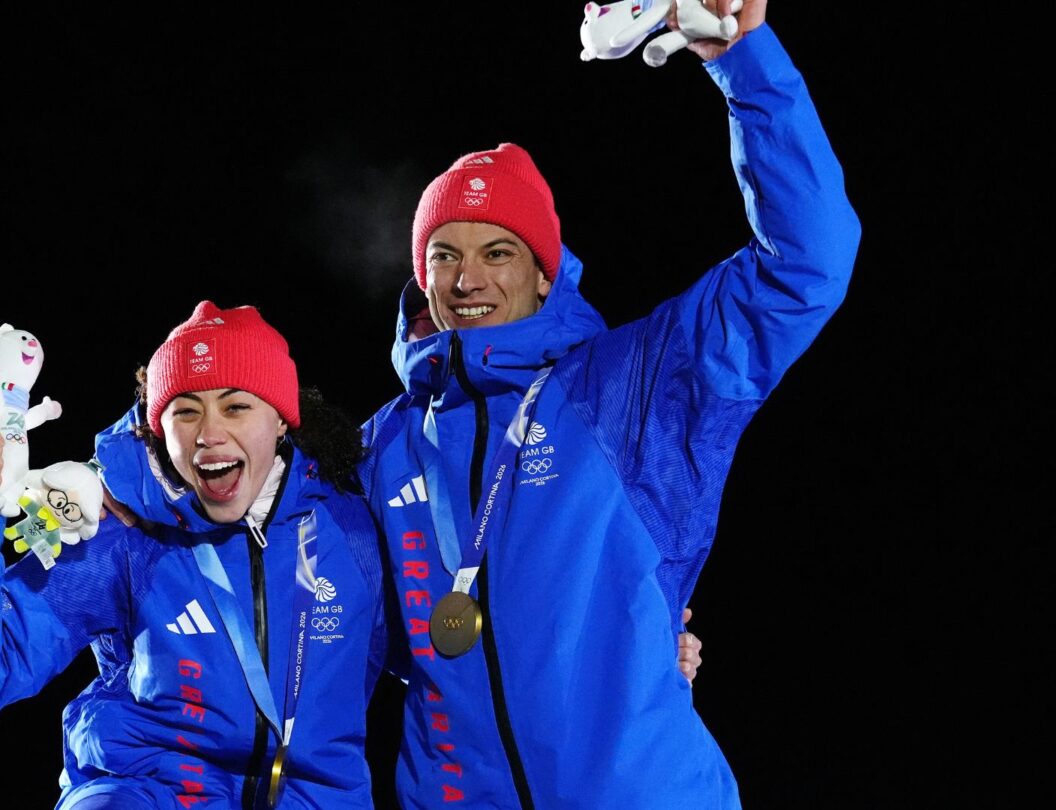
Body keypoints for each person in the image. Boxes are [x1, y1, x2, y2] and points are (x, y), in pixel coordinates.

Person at [357, 0, 860, 806]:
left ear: (545, 274)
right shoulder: (381, 447)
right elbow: (320, 610)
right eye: (444, 256)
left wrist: (745, 62)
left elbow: (805, 265)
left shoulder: (631, 386)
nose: (467, 279)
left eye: (497, 252)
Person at [0, 302, 390, 809]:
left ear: (282, 419)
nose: (209, 434)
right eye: (185, 410)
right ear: (161, 428)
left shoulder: (350, 524)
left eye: (236, 406)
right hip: (148, 791)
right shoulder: (122, 530)